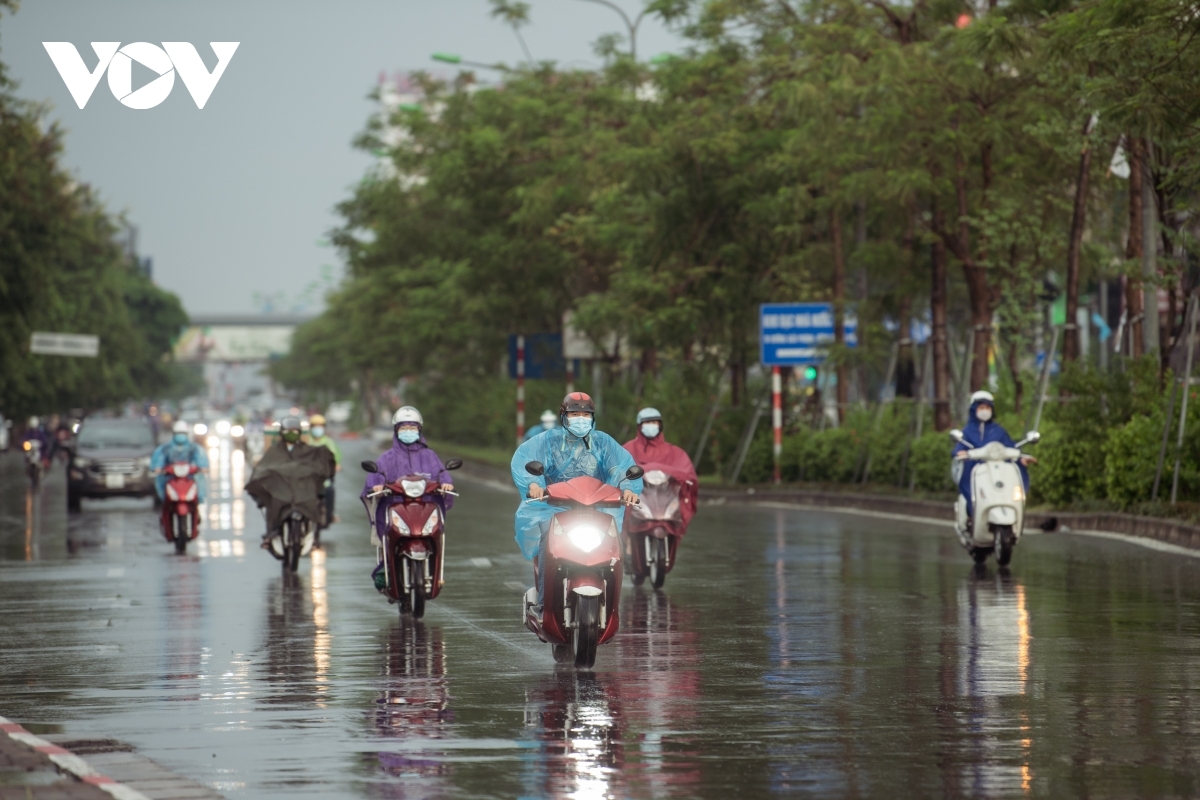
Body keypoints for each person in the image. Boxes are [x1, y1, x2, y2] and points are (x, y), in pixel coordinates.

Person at [511, 392, 642, 615]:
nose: (580, 418)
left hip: (595, 509)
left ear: (593, 417)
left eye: (585, 414)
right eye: (574, 414)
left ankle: (612, 605)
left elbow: (620, 467)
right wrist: (534, 483)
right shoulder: (547, 441)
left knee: (614, 548)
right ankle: (544, 601)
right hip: (553, 509)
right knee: (547, 542)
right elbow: (527, 459)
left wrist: (628, 489)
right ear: (564, 416)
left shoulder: (603, 443)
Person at [247, 416, 336, 545]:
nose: (291, 434)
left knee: (321, 496)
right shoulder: (274, 451)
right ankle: (272, 532)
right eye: (288, 431)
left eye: (295, 431)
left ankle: (314, 532)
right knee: (272, 503)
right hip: (281, 492)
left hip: (303, 491)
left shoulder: (308, 450)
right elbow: (263, 468)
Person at [953, 391, 1036, 519]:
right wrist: (961, 452)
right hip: (975, 471)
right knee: (970, 486)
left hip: (997, 471)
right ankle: (971, 515)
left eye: (988, 408)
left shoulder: (998, 430)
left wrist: (1021, 458)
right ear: (974, 409)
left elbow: (1010, 447)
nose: (985, 411)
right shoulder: (967, 431)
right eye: (981, 408)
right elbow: (960, 447)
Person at [362, 406, 456, 508]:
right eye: (403, 428)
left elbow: (442, 475)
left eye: (412, 428)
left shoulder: (430, 456)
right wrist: (377, 488)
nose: (408, 431)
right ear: (396, 430)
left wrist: (446, 484)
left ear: (419, 430)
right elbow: (373, 481)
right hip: (394, 510)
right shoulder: (386, 458)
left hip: (427, 508)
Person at [622, 407, 699, 528]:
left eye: (654, 422)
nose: (651, 426)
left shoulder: (673, 452)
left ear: (660, 425)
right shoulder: (627, 449)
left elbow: (687, 473)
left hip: (666, 503)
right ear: (640, 426)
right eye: (647, 422)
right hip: (637, 503)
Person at [150, 420, 209, 503]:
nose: (180, 436)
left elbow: (201, 458)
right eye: (178, 433)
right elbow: (159, 458)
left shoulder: (194, 448)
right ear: (174, 434)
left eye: (183, 433)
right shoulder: (166, 448)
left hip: (188, 478)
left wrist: (202, 467)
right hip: (171, 478)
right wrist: (158, 468)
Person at [308, 413, 342, 527]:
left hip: (324, 476)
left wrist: (337, 465)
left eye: (320, 426)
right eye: (315, 426)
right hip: (308, 476)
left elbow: (336, 456)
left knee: (330, 489)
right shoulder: (306, 441)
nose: (318, 428)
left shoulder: (329, 442)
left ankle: (330, 514)